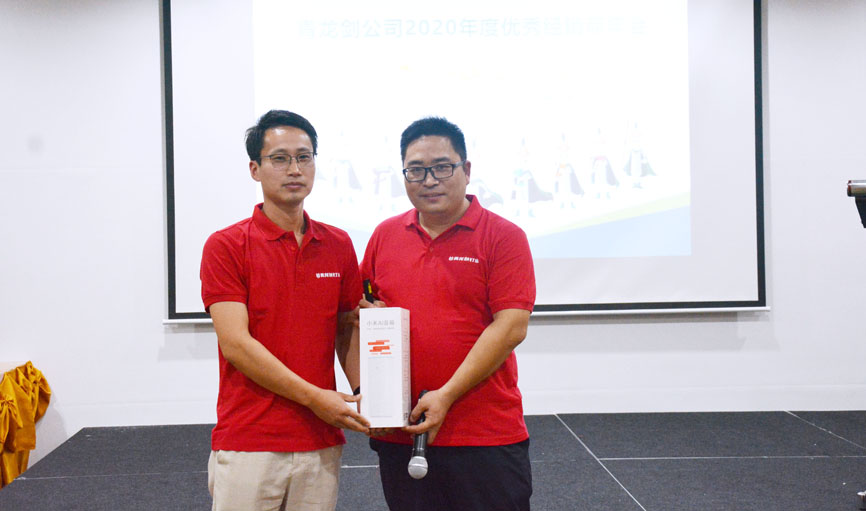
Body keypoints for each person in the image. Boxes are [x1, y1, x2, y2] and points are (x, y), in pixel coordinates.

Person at [360, 117, 536, 510]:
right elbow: (360, 312)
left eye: (442, 167)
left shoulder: (504, 237)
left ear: (466, 170)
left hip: (484, 433)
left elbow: (511, 327)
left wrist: (447, 395)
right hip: (401, 430)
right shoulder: (385, 235)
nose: (429, 180)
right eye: (416, 170)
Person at [200, 109, 369, 511]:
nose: (294, 169)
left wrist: (368, 395)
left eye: (304, 157)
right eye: (280, 159)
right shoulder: (226, 246)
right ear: (255, 169)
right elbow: (236, 345)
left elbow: (347, 328)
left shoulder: (338, 244)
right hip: (250, 440)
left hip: (320, 439)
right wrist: (315, 398)